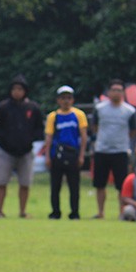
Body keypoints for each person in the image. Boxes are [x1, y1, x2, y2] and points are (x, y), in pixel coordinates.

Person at [0, 74, 42, 218]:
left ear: (25, 91)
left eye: (20, 89)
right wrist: (5, 139)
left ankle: (22, 211)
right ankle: (0, 210)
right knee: (1, 182)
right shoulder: (3, 108)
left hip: (26, 151)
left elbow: (38, 128)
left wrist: (29, 139)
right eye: (14, 89)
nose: (17, 92)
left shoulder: (33, 108)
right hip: (6, 151)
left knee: (25, 183)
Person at [91, 79, 136, 219]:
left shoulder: (129, 111)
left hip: (121, 151)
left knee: (122, 185)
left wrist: (121, 141)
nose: (116, 93)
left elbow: (133, 131)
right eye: (114, 90)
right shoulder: (100, 108)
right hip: (102, 150)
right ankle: (100, 212)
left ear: (123, 92)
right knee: (100, 184)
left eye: (119, 90)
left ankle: (122, 212)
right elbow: (94, 127)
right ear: (108, 92)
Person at [44, 85, 87, 220]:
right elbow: (49, 137)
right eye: (63, 98)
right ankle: (55, 212)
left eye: (68, 98)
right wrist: (47, 156)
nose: (66, 101)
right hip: (57, 154)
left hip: (73, 154)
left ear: (72, 100)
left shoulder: (79, 115)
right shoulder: (53, 116)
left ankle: (74, 212)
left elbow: (83, 137)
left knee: (74, 186)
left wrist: (81, 155)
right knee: (55, 186)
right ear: (58, 100)